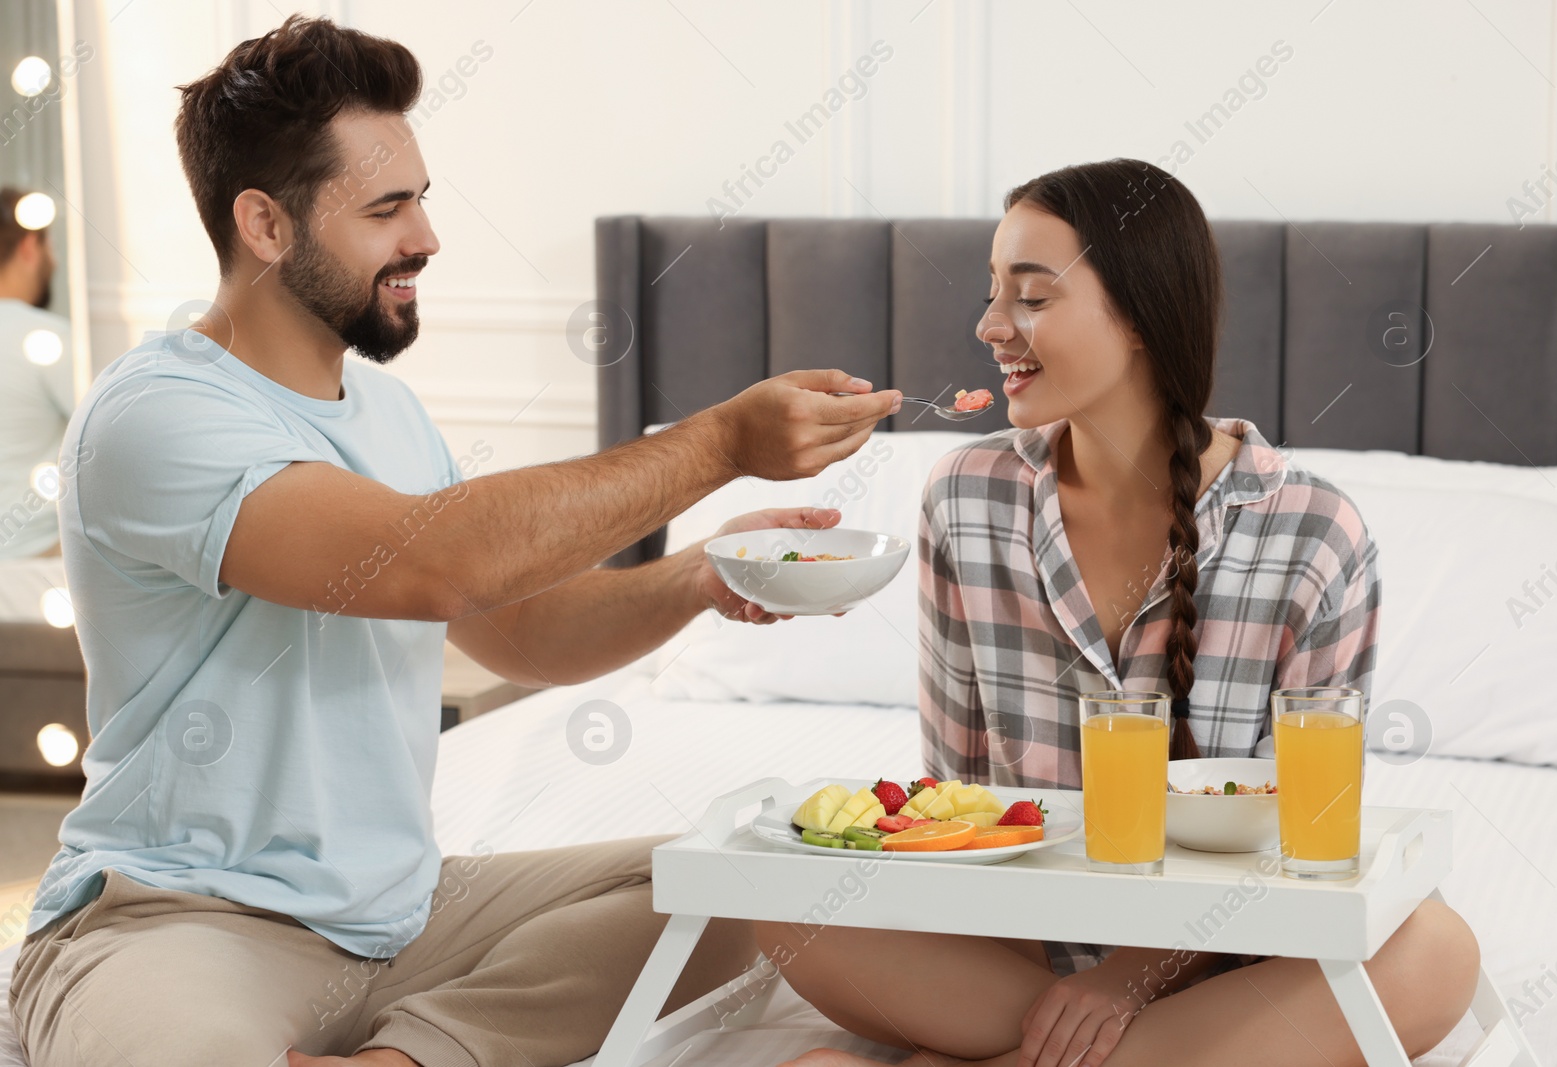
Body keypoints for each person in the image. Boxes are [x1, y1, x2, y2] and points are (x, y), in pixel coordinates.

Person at [5, 15, 901, 1067]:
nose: (425, 236)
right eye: (387, 209)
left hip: (406, 917)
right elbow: (434, 565)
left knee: (751, 887)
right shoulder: (155, 413)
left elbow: (518, 628)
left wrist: (697, 577)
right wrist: (721, 442)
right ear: (265, 224)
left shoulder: (387, 413)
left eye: (420, 198)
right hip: (187, 919)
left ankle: (418, 1051)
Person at [752, 159, 1480, 1067]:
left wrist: (1128, 979)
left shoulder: (1314, 531)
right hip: (1010, 955)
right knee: (784, 903)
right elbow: (959, 798)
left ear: (1139, 315)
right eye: (992, 294)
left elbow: (1303, 830)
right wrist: (1055, 980)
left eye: (1031, 297)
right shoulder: (965, 499)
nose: (989, 327)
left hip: (1231, 963)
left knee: (1436, 951)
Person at [0, 185, 74, 559]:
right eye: (51, 247)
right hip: (37, 566)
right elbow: (117, 440)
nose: (56, 261)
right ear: (29, 247)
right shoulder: (47, 340)